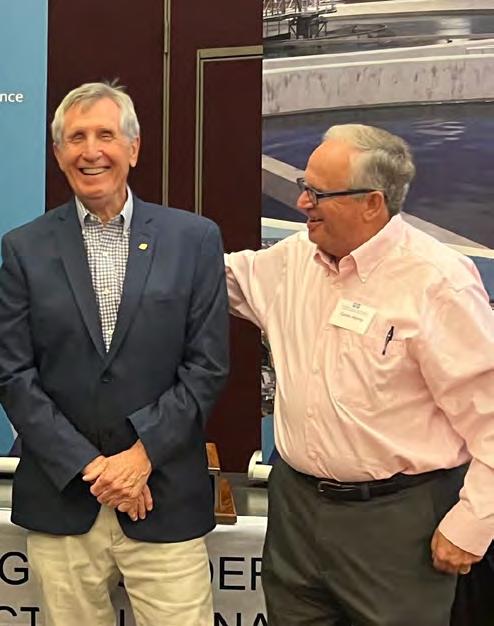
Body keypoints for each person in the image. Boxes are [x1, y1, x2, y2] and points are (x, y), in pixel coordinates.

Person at [225, 124, 494, 626]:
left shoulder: (439, 282)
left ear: (373, 203)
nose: (301, 202)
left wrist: (473, 524)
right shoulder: (292, 260)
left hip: (397, 525)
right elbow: (210, 278)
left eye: (318, 193)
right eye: (303, 186)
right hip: (295, 514)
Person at [0, 82, 229, 626]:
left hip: (162, 496)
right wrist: (91, 467)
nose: (91, 151)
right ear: (59, 154)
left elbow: (207, 366)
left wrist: (140, 456)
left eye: (105, 134)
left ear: (134, 147)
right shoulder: (23, 248)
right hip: (63, 500)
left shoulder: (193, 239)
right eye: (76, 137)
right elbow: (13, 373)